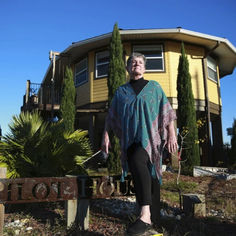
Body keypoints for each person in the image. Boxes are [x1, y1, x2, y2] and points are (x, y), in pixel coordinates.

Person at [101, 52, 177, 235]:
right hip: (130, 140)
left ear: (144, 67)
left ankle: (148, 216)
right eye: (132, 62)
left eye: (140, 62)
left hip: (152, 139)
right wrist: (105, 135)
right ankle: (148, 215)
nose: (136, 64)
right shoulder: (121, 92)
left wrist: (172, 134)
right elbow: (111, 116)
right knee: (138, 166)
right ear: (128, 68)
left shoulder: (154, 88)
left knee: (149, 173)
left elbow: (166, 111)